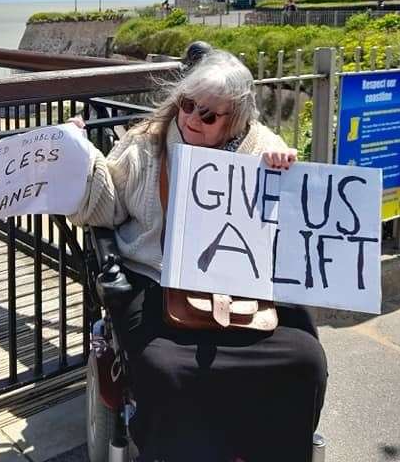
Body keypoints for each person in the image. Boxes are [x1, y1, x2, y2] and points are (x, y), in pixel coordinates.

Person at [70, 49, 327, 462]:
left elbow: (297, 223)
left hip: (242, 288)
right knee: (164, 371)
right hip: (158, 280)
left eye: (208, 115)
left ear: (237, 120)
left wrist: (286, 172)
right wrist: (79, 165)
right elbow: (107, 205)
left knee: (305, 360)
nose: (190, 119)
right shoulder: (146, 145)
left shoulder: (262, 147)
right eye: (187, 105)